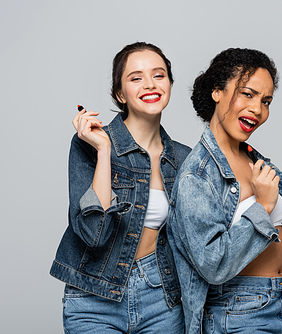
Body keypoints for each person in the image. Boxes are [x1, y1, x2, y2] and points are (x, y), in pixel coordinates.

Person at [50, 42, 190, 333]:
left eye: (159, 75)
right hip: (94, 298)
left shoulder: (183, 158)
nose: (150, 84)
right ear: (120, 94)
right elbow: (94, 233)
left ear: (170, 84)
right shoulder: (89, 144)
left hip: (161, 296)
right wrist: (103, 152)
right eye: (136, 77)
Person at [167, 48, 282, 334]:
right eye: (248, 94)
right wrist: (263, 207)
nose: (258, 109)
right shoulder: (198, 175)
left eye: (266, 101)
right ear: (217, 91)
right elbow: (212, 264)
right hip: (241, 312)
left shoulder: (256, 159)